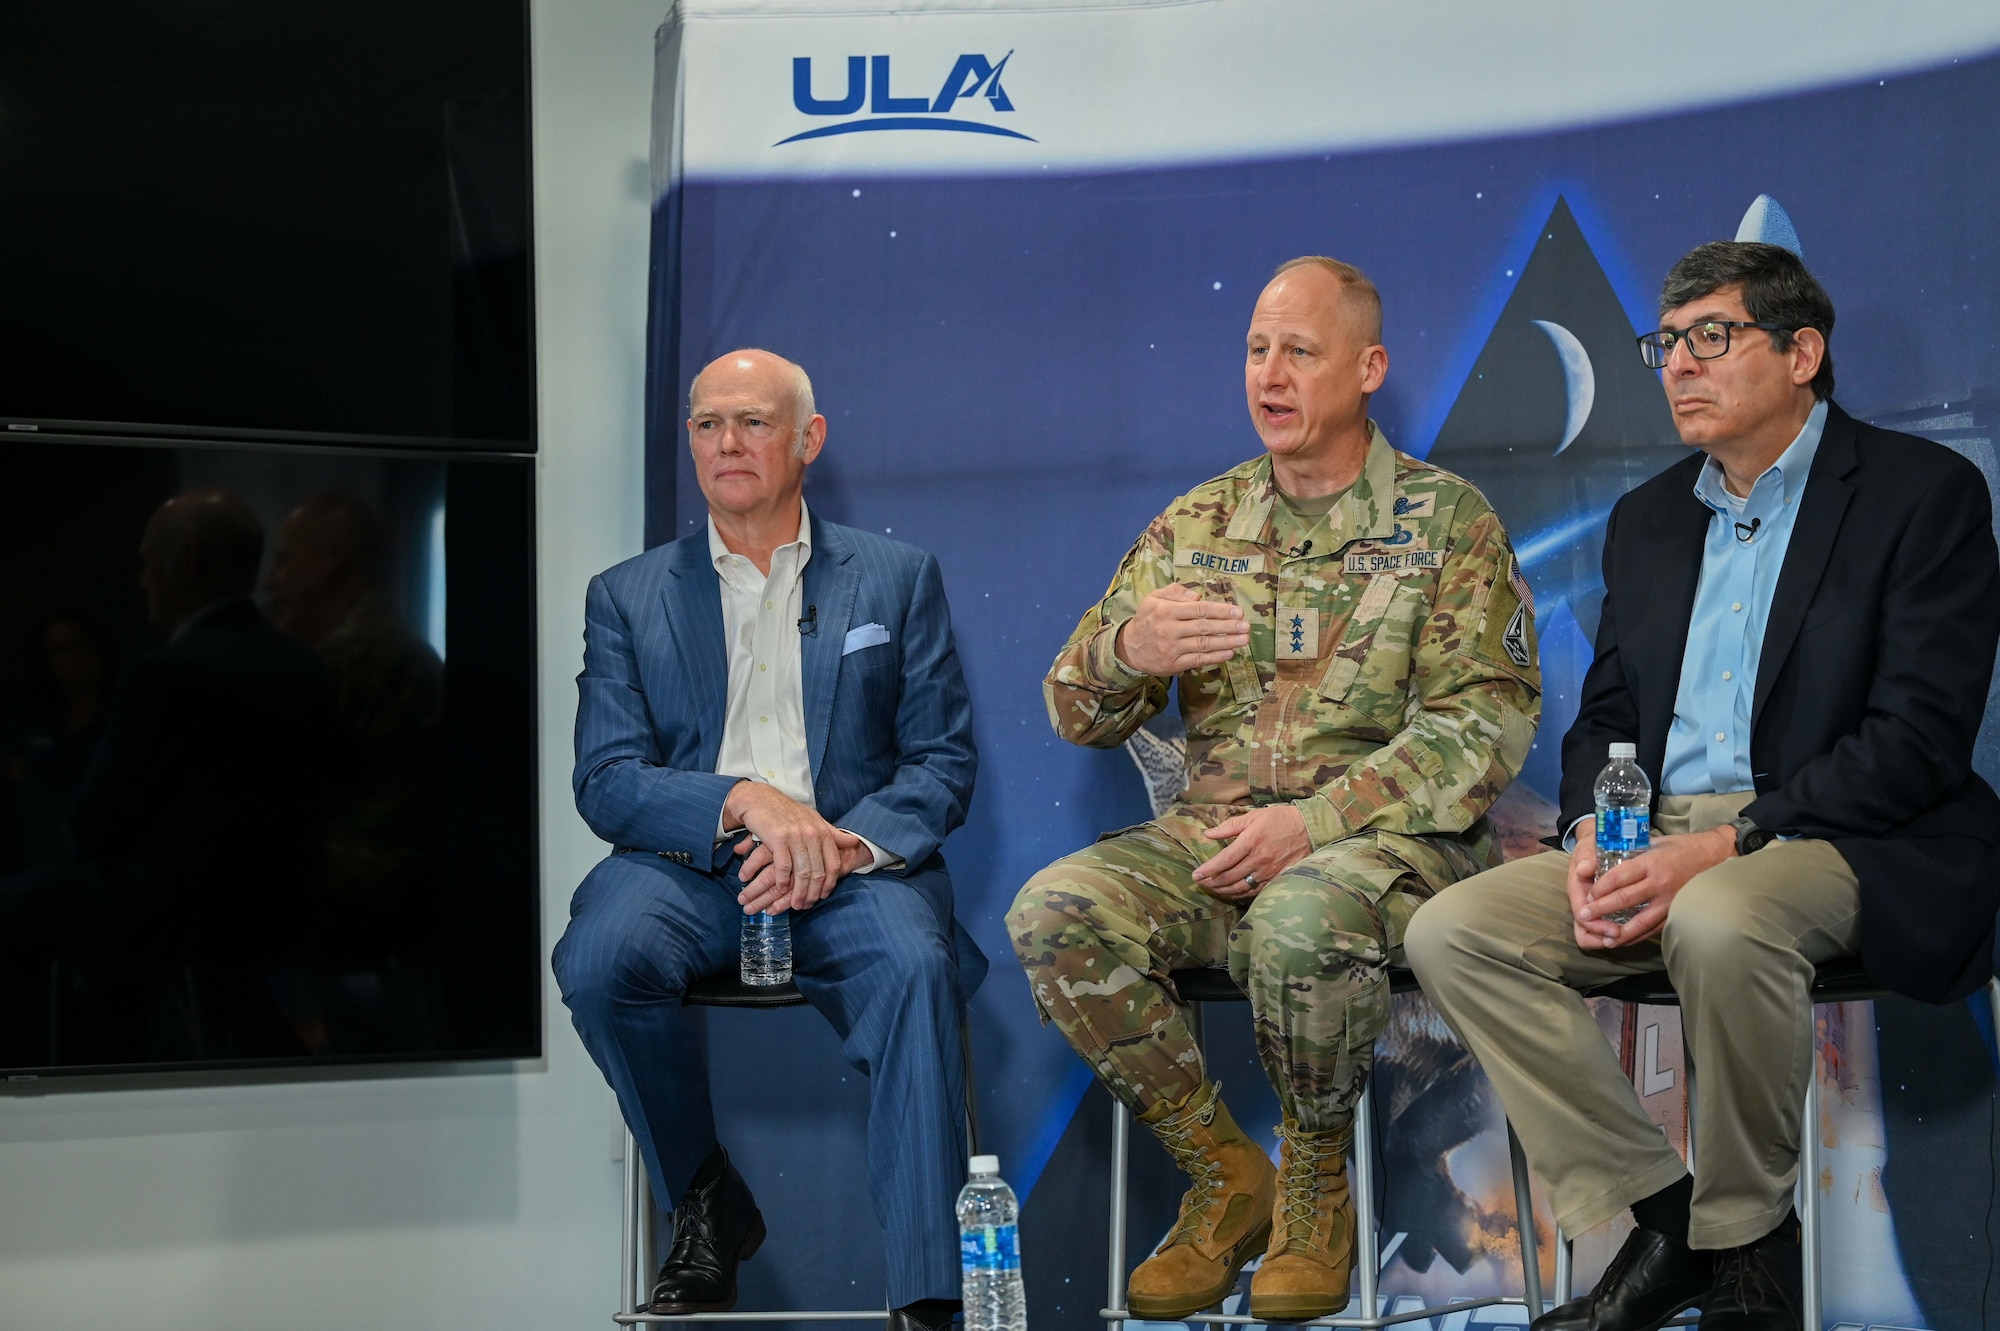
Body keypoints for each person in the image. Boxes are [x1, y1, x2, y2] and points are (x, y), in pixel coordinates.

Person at [1405, 241, 2000, 1331]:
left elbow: (1915, 739)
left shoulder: (1921, 495)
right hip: (1657, 826)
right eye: (1665, 343)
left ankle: (1749, 1262)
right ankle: (1675, 1222)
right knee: (1452, 928)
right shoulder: (1648, 519)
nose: (1677, 364)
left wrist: (1726, 844)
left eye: (1709, 338)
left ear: (1801, 352)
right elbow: (1607, 717)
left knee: (1720, 919)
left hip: (1842, 828)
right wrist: (1589, 828)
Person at [1009, 257, 1541, 1322]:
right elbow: (1074, 707)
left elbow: (1484, 725)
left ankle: (1311, 1178)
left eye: (1299, 349)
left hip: (1387, 853)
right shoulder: (1196, 524)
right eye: (1256, 348)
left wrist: (1314, 822)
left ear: (1367, 367)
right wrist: (1131, 645)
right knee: (1053, 911)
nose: (1270, 372)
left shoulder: (1445, 523)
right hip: (1214, 840)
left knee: (1299, 916)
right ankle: (1220, 1169)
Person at [552, 349, 984, 1331]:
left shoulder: (895, 576)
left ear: (807, 441)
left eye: (751, 421)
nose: (727, 443)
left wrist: (839, 844)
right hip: (692, 865)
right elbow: (607, 780)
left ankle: (927, 1293)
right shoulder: (625, 595)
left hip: (853, 868)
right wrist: (743, 797)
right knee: (601, 954)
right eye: (707, 424)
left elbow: (938, 763)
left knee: (915, 966)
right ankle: (706, 1193)